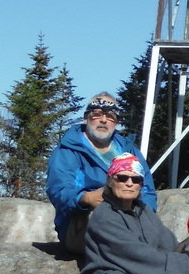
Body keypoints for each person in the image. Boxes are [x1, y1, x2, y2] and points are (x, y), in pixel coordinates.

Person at [46, 93, 157, 255]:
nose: (103, 120)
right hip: (81, 223)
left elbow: (147, 191)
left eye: (110, 116)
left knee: (153, 228)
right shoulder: (68, 151)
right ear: (86, 118)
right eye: (97, 114)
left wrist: (143, 214)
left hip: (128, 219)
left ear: (116, 122)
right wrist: (85, 199)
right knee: (99, 217)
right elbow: (58, 190)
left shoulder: (130, 151)